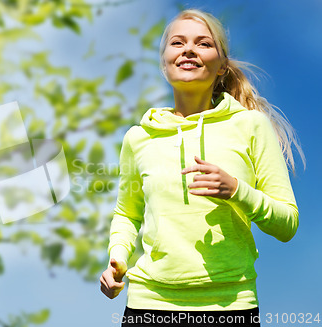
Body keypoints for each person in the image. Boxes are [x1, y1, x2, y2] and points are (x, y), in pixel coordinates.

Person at [100, 9, 305, 327]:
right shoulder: (138, 138)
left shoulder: (251, 126)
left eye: (203, 43)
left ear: (222, 65)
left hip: (231, 307)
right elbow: (127, 214)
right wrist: (117, 258)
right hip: (148, 306)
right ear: (165, 62)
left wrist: (237, 190)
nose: (188, 49)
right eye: (177, 42)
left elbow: (287, 223)